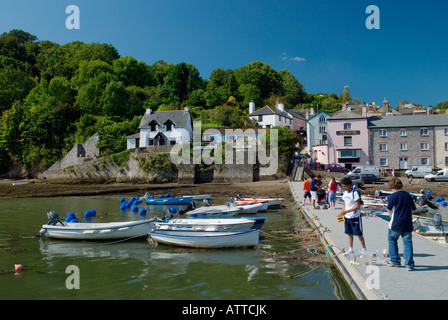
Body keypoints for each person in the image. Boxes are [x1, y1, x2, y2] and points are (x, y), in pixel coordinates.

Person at [386, 178, 416, 271]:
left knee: (392, 240)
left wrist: (392, 218)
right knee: (408, 243)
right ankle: (409, 264)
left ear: (392, 187)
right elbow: (412, 210)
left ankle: (395, 260)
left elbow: (389, 209)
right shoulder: (408, 196)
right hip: (407, 223)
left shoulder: (392, 196)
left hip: (396, 223)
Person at [337, 177, 367, 256]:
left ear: (349, 185)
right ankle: (351, 250)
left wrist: (346, 211)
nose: (344, 188)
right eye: (343, 186)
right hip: (347, 217)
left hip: (355, 217)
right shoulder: (345, 193)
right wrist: (341, 212)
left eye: (345, 186)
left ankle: (364, 250)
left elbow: (357, 206)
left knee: (359, 234)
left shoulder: (355, 193)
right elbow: (345, 204)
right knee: (349, 233)